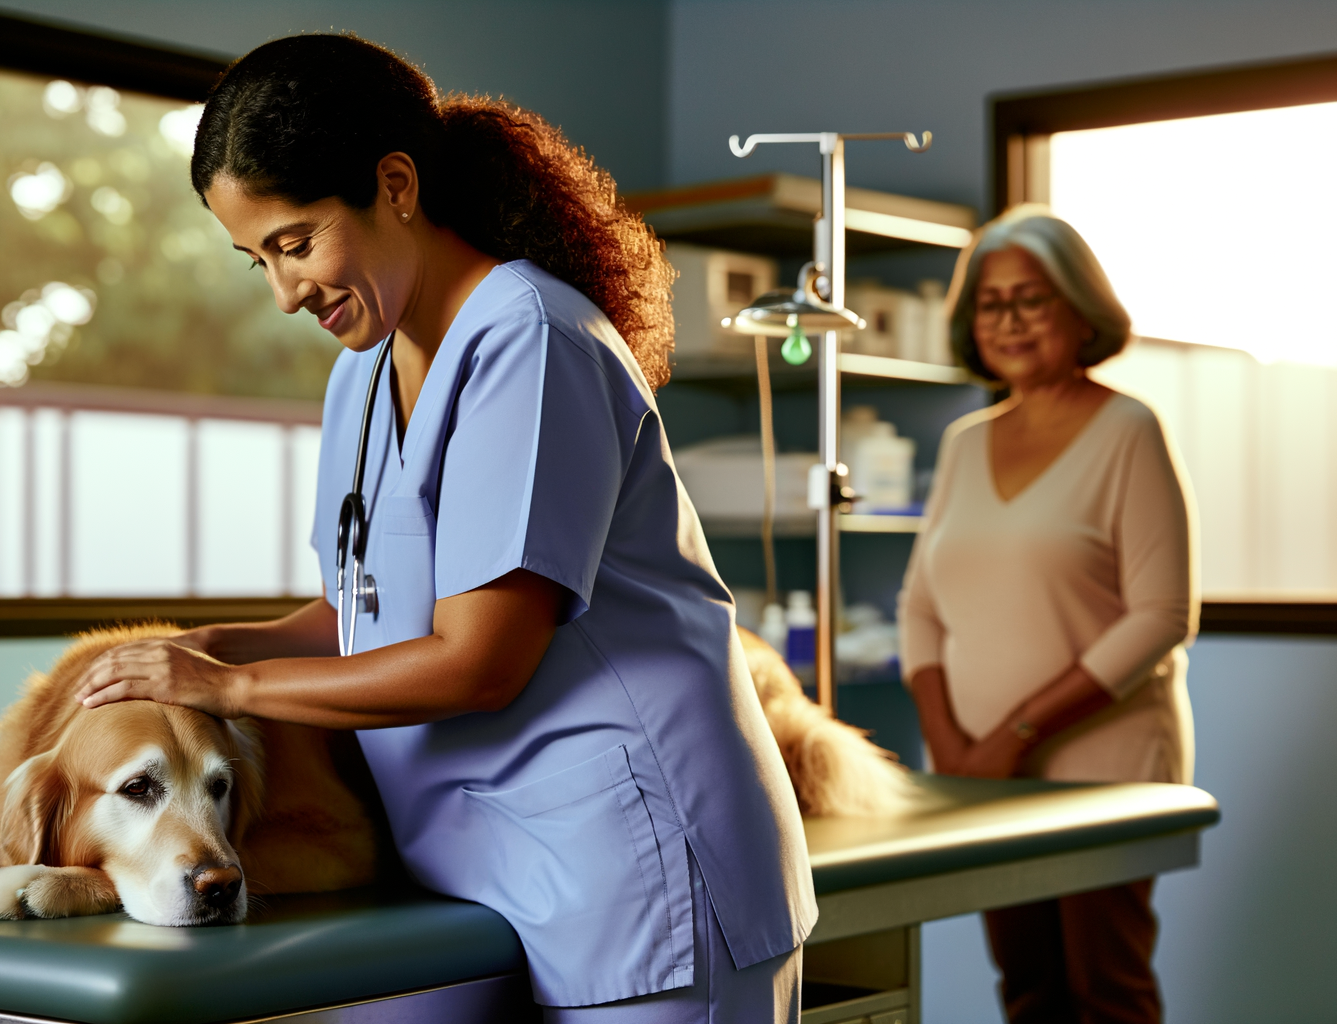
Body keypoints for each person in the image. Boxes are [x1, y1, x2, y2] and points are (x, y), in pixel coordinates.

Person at [72, 34, 814, 1023]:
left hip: (637, 870)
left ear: (395, 184)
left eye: (297, 243)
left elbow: (478, 660)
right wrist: (206, 645)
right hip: (477, 873)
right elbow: (363, 612)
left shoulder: (532, 340)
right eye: (257, 260)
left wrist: (233, 686)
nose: (285, 292)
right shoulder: (363, 373)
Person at [898, 206, 1197, 1024]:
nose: (1010, 321)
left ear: (1079, 308)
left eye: (1032, 298)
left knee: (1105, 992)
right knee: (1028, 992)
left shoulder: (1127, 431)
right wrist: (952, 746)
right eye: (992, 304)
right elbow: (921, 606)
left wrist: (1013, 736)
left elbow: (1160, 615)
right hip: (985, 774)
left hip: (1101, 768)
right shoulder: (965, 442)